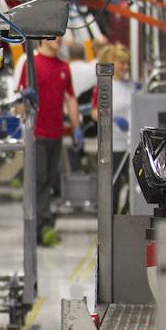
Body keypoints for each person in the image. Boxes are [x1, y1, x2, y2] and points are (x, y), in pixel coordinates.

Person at [18, 36, 81, 247]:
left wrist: (76, 128)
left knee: (49, 181)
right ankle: (42, 227)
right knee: (39, 181)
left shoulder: (64, 67)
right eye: (54, 36)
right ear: (42, 39)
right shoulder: (31, 65)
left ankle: (42, 225)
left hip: (56, 134)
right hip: (37, 134)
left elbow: (70, 98)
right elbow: (21, 99)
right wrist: (23, 127)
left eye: (60, 36)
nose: (59, 39)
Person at [91, 44, 135, 212]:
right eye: (121, 63)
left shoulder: (129, 86)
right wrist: (112, 119)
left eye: (126, 63)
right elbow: (95, 112)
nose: (125, 67)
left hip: (130, 145)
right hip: (112, 145)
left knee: (134, 186)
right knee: (112, 189)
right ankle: (109, 226)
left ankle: (124, 218)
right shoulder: (104, 87)